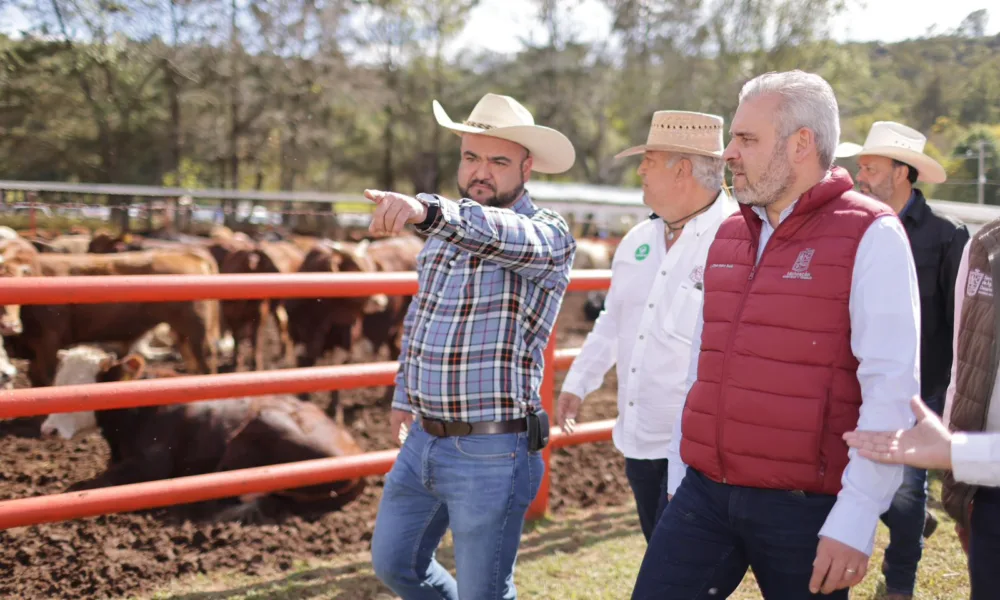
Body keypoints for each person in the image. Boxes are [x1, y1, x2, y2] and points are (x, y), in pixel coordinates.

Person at [633, 70, 921, 599]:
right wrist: (679, 475)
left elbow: (891, 387)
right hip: (703, 494)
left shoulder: (872, 233)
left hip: (806, 509)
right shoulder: (728, 233)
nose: (728, 154)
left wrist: (857, 517)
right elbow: (702, 367)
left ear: (801, 144)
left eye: (746, 139)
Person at [364, 92, 577, 600]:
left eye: (498, 161)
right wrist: (403, 395)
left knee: (485, 591)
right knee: (395, 564)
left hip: (493, 448)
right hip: (424, 438)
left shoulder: (547, 235)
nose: (481, 172)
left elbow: (495, 233)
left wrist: (425, 209)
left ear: (526, 167)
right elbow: (421, 317)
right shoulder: (442, 238)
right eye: (471, 157)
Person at [556, 110, 737, 542]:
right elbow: (614, 319)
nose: (640, 171)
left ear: (683, 171)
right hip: (640, 441)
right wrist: (578, 382)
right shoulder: (637, 240)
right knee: (662, 551)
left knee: (679, 567)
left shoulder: (738, 240)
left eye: (649, 160)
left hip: (701, 453)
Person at [836, 120, 969, 599]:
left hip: (921, 390)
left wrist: (950, 395)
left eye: (870, 167)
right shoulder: (851, 227)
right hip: (857, 379)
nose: (860, 176)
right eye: (860, 167)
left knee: (909, 488)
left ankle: (899, 584)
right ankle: (909, 522)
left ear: (901, 172)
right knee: (867, 475)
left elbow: (961, 322)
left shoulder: (946, 236)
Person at [845, 219, 998, 600]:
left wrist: (961, 455)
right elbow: (966, 365)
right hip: (989, 491)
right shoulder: (987, 245)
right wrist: (963, 484)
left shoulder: (949, 235)